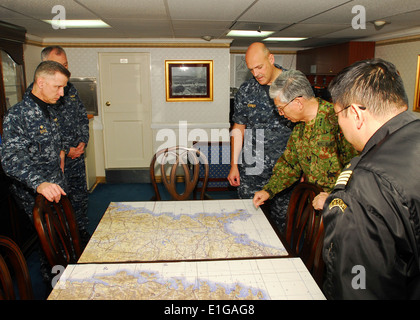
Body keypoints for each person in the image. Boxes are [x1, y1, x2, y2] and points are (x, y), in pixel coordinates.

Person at [322, 58, 420, 299]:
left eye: (338, 116)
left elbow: (358, 288)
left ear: (355, 113)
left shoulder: (362, 184)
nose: (339, 126)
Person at [253, 69, 358, 211]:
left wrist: (335, 199)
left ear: (297, 102)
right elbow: (289, 165)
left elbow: (357, 169)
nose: (280, 113)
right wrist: (268, 191)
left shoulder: (338, 120)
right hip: (314, 206)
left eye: (281, 108)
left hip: (342, 209)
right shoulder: (299, 129)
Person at [228, 42, 295, 232]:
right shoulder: (247, 90)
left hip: (285, 171)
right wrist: (234, 165)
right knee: (249, 223)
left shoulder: (294, 85)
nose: (256, 73)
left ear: (271, 59)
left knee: (282, 226)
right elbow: (238, 128)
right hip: (252, 169)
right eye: (251, 69)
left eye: (259, 67)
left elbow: (306, 126)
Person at [30, 46, 90, 245]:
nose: (61, 92)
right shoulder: (33, 105)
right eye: (60, 65)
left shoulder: (67, 90)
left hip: (75, 158)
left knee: (79, 201)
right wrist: (65, 149)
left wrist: (82, 142)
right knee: (54, 222)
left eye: (66, 64)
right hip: (49, 174)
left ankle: (81, 238)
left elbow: (82, 116)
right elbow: (47, 136)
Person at [0, 60, 69, 217]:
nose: (62, 93)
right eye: (58, 87)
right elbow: (11, 158)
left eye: (63, 87)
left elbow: (56, 142)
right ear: (41, 82)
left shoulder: (51, 110)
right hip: (35, 193)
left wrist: (62, 155)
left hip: (57, 186)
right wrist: (39, 183)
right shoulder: (17, 115)